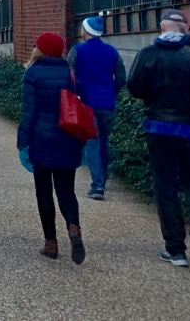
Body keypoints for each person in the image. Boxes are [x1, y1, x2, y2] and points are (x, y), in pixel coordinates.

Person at [127, 8, 190, 268]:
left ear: (161, 29)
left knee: (165, 185)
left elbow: (134, 87)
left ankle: (175, 249)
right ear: (186, 28)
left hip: (159, 128)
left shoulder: (148, 55)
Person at [17, 31, 86, 264]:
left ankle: (51, 243)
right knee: (66, 190)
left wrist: (22, 143)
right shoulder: (72, 73)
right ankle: (74, 228)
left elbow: (27, 114)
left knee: (44, 192)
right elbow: (82, 105)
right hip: (69, 139)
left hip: (41, 141)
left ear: (41, 50)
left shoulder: (33, 73)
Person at [67, 15, 127, 200]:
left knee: (92, 142)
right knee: (104, 141)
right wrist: (112, 91)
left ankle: (98, 185)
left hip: (87, 102)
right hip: (108, 102)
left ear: (84, 31)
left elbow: (69, 76)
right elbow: (121, 78)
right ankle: (104, 176)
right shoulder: (112, 51)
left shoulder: (76, 51)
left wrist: (77, 93)